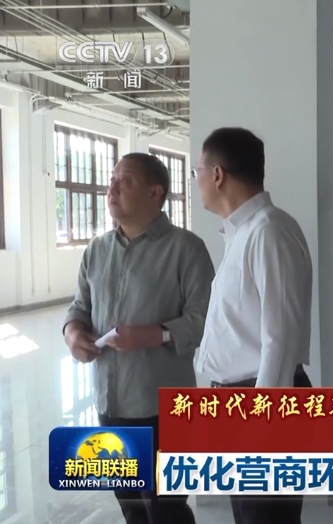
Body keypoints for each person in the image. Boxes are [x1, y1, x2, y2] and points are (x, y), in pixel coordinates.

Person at [62, 153, 214, 524]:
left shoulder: (186, 249)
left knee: (167, 508)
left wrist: (157, 334)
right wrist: (73, 332)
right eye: (112, 180)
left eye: (125, 181)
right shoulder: (97, 250)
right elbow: (80, 307)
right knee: (130, 505)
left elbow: (206, 320)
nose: (111, 189)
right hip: (110, 401)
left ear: (155, 193)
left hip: (163, 405)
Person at [193, 127, 314, 524]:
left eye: (197, 171)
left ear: (217, 174)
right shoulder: (243, 233)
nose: (196, 181)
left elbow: (280, 337)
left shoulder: (268, 231)